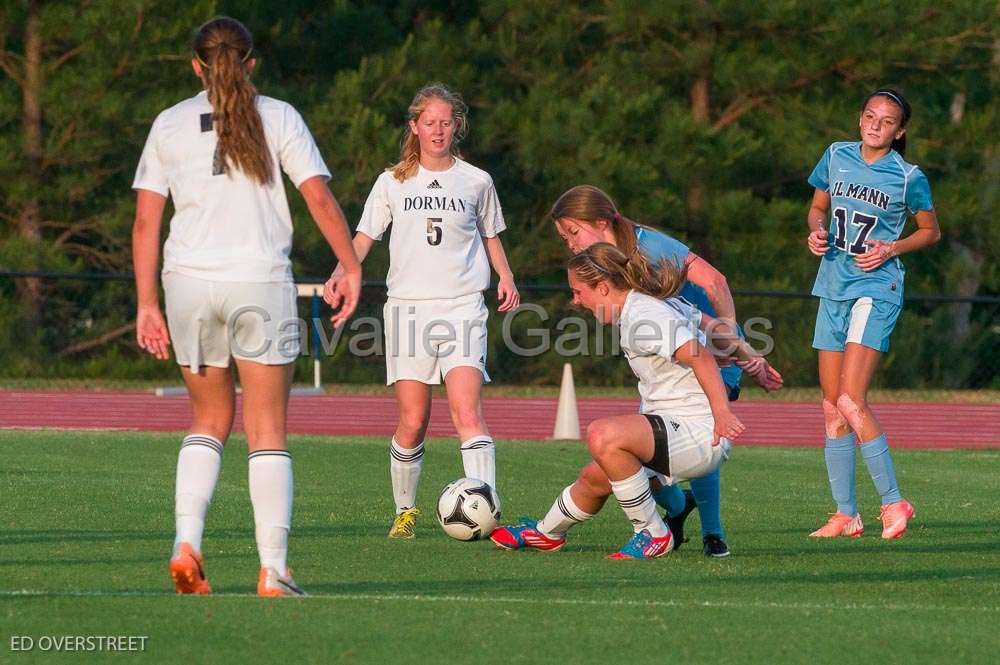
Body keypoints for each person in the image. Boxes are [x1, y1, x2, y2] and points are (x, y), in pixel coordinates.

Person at [132, 16, 361, 596]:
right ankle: (273, 570)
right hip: (258, 282)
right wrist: (351, 265)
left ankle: (187, 543)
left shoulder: (168, 122)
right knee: (267, 431)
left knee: (207, 421)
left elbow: (144, 222)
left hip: (187, 283)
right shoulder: (279, 115)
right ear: (251, 63)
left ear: (195, 66)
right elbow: (316, 196)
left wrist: (146, 303)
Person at [324, 84, 519, 539]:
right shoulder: (391, 180)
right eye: (428, 122)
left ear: (457, 126)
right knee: (413, 421)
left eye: (446, 122)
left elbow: (492, 235)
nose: (437, 130)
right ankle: (405, 511)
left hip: (463, 307)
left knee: (467, 413)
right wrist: (340, 270)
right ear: (414, 126)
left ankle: (487, 513)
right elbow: (364, 237)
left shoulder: (476, 181)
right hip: (408, 310)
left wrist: (505, 276)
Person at [550, 185, 782, 557]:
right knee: (646, 439)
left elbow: (715, 282)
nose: (571, 245)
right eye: (565, 239)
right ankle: (677, 510)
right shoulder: (611, 263)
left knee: (697, 427)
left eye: (573, 233)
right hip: (684, 345)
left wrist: (736, 346)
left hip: (706, 346)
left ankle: (711, 532)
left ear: (600, 221)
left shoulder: (647, 246)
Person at [491, 243, 752, 559]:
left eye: (578, 291)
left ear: (602, 287)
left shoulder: (644, 315)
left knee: (603, 435)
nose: (575, 300)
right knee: (593, 478)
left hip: (698, 434)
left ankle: (653, 533)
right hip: (676, 431)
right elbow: (709, 324)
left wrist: (722, 412)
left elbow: (701, 357)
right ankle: (547, 533)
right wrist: (755, 362)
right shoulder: (646, 306)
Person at [805, 88, 939, 539]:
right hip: (833, 284)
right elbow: (818, 207)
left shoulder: (907, 176)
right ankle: (846, 513)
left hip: (877, 287)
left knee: (850, 399)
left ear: (899, 131)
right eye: (869, 115)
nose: (875, 124)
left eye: (886, 121)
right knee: (830, 407)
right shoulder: (836, 154)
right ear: (860, 117)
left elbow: (930, 231)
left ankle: (894, 501)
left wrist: (892, 247)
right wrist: (815, 232)